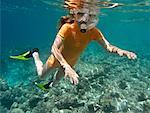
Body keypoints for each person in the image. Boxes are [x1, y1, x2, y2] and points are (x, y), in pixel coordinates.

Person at [10, 0, 137, 89]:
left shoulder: (94, 32)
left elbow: (108, 47)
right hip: (57, 60)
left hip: (70, 63)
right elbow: (54, 48)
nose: (85, 20)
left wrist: (122, 51)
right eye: (81, 14)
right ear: (74, 14)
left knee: (57, 81)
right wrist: (66, 66)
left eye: (91, 15)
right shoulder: (67, 27)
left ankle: (50, 86)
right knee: (41, 76)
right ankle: (35, 53)